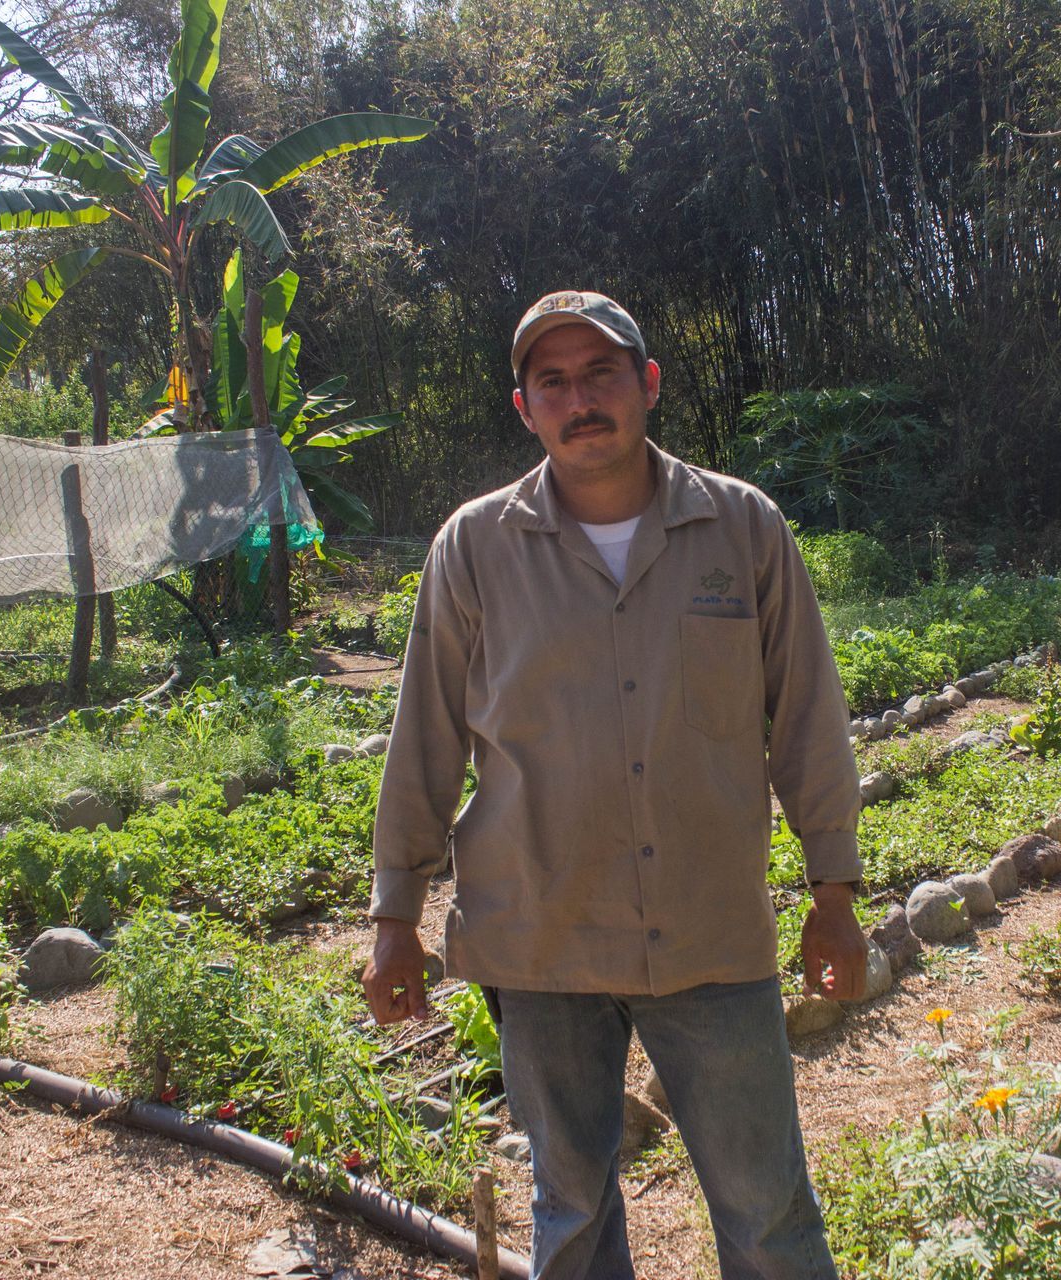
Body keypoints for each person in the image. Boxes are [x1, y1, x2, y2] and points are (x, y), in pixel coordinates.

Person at [362, 289, 866, 1280]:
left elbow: (806, 718)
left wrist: (834, 894)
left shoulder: (742, 529)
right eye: (553, 381)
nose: (579, 398)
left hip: (710, 930)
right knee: (573, 1210)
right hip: (539, 933)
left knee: (768, 1210)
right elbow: (424, 735)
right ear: (526, 408)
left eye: (600, 373)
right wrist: (394, 916)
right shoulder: (475, 546)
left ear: (647, 385)